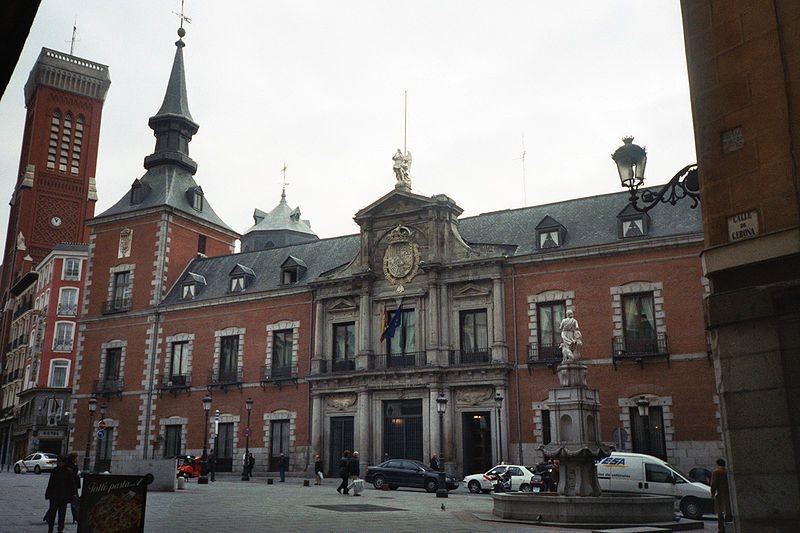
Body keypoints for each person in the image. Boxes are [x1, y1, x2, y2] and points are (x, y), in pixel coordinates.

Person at [45, 456, 77, 533]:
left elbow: (72, 484)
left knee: (62, 515)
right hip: (54, 496)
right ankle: (50, 528)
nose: (59, 463)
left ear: (64, 462)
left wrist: (73, 494)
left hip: (64, 497)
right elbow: (50, 483)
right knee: (52, 514)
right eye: (58, 461)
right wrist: (47, 493)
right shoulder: (55, 470)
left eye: (61, 461)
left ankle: (60, 529)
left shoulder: (69, 471)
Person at [710, 458, 731, 532]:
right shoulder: (727, 472)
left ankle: (721, 528)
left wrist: (712, 494)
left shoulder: (716, 472)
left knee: (720, 512)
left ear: (717, 464)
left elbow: (713, 484)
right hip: (728, 494)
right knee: (728, 511)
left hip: (720, 494)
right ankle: (729, 526)